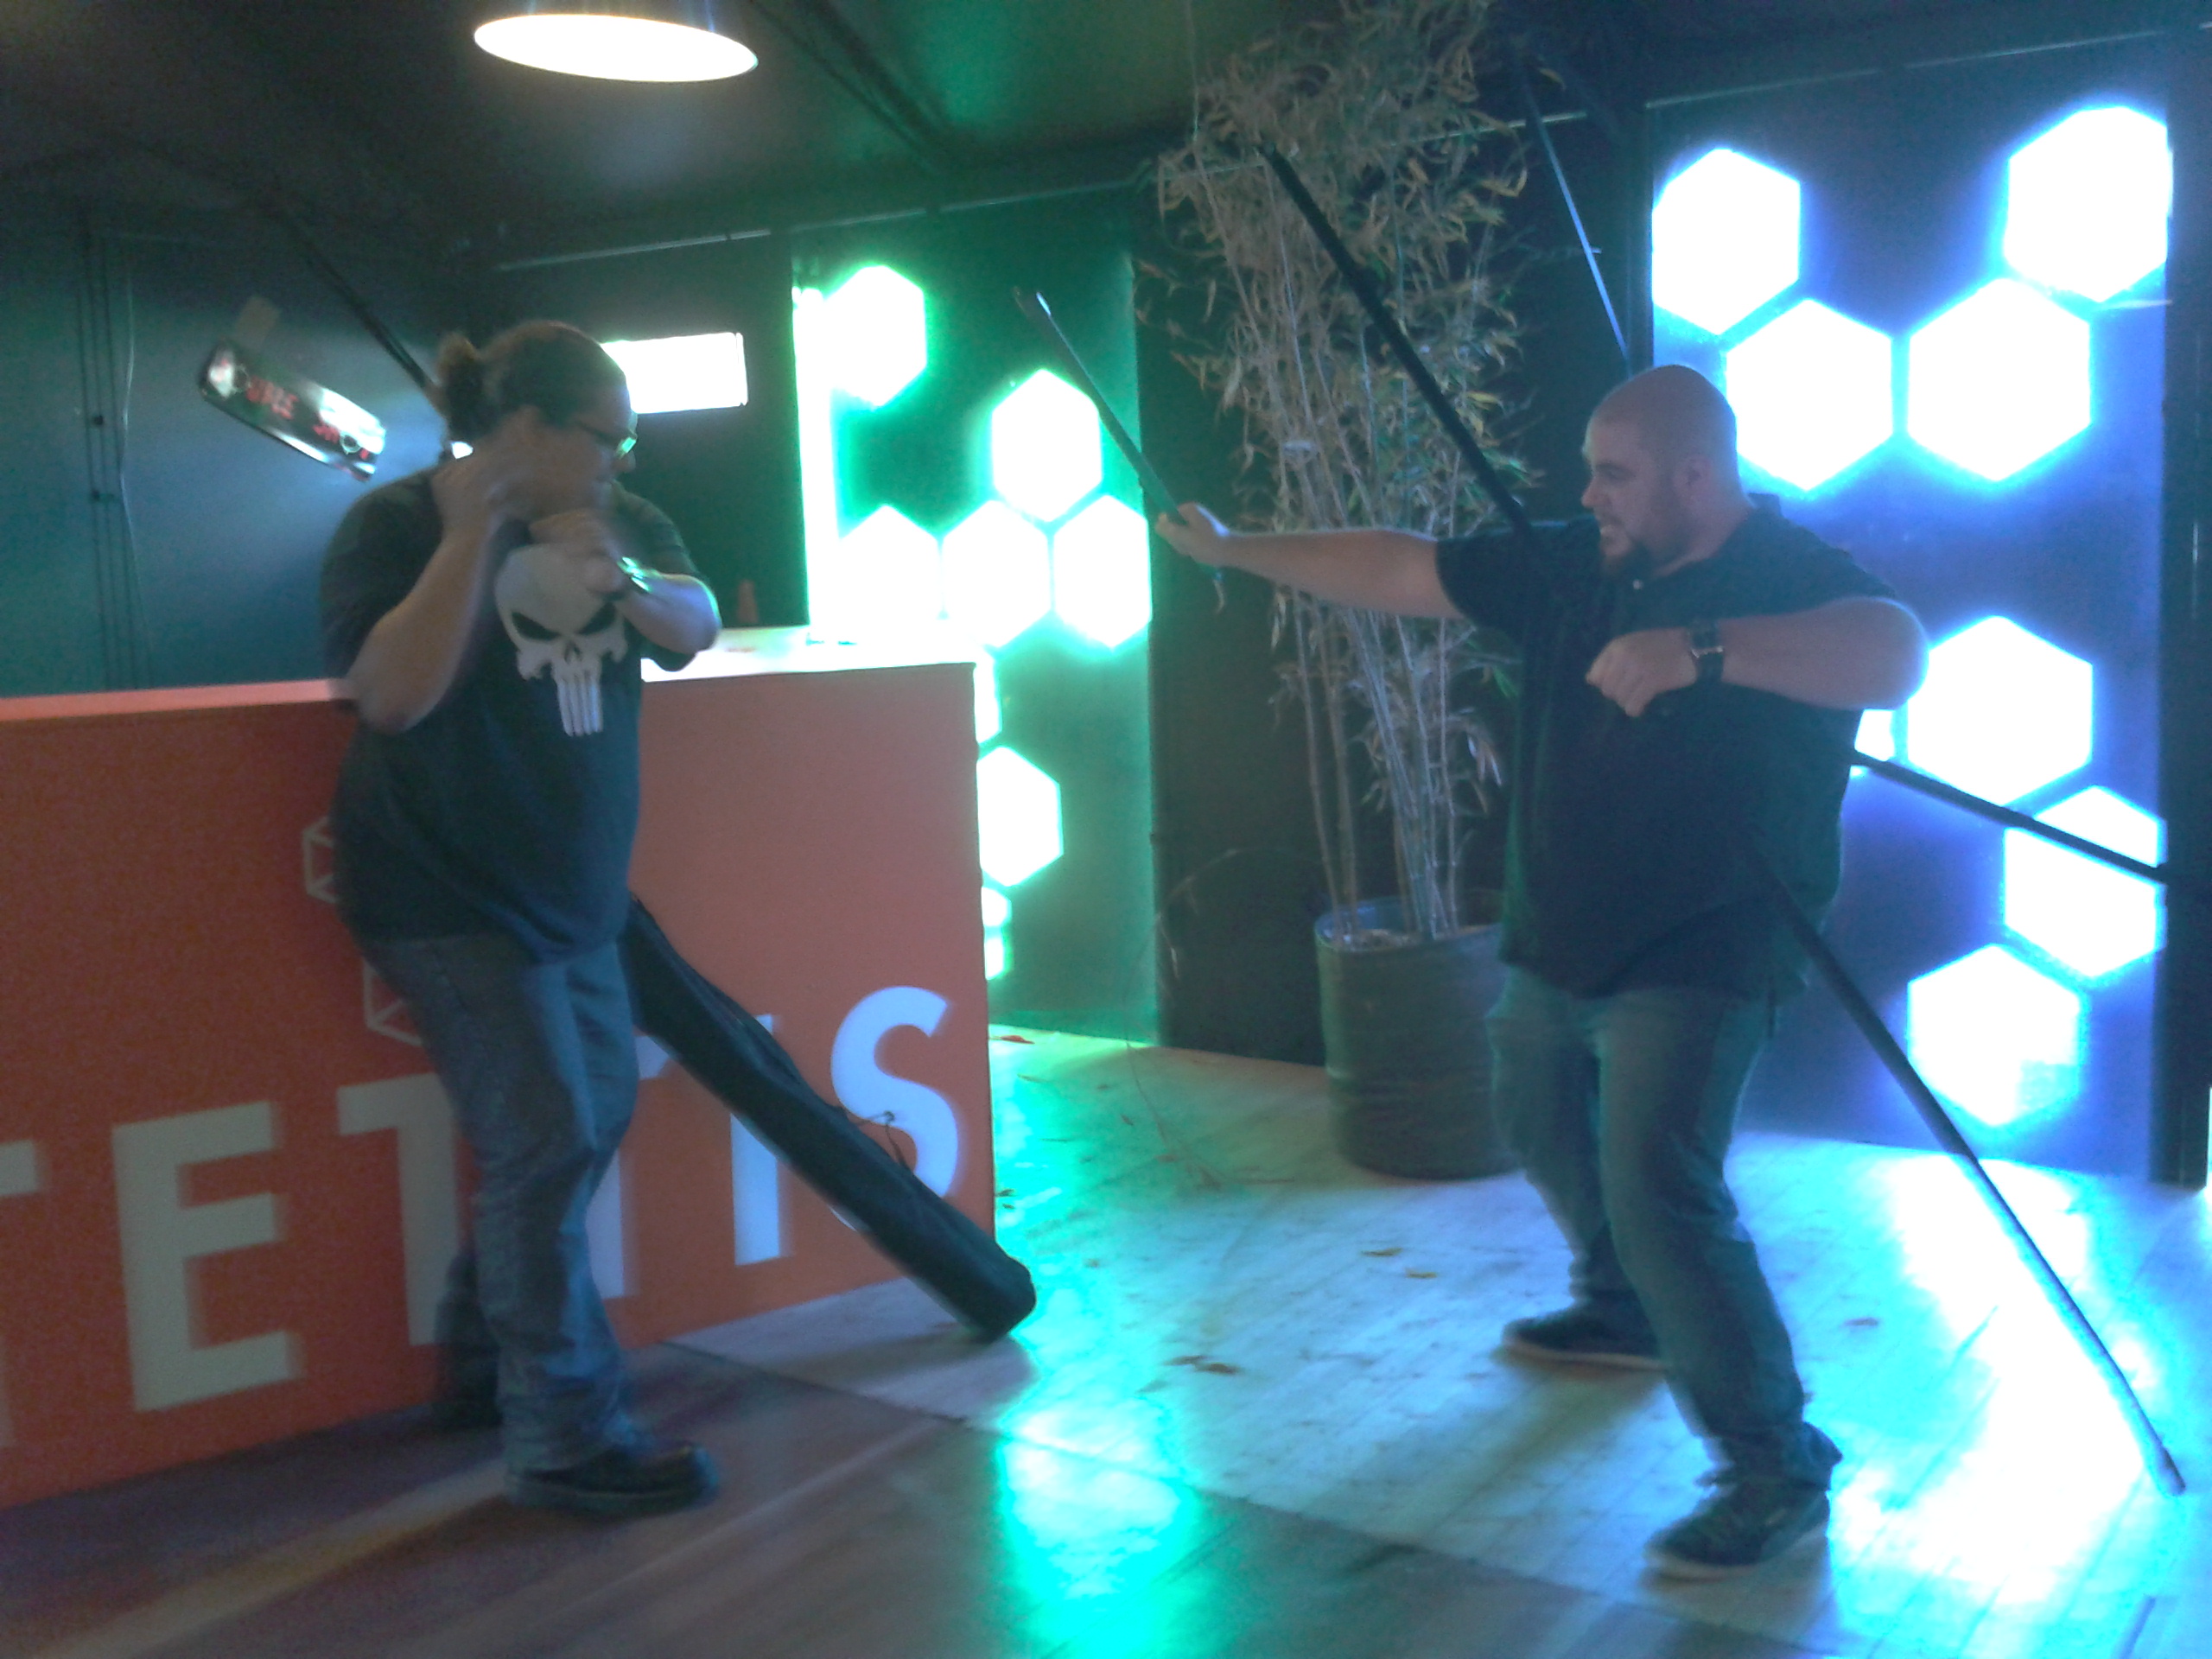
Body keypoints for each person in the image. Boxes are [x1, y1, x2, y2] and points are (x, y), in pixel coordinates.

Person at [1156, 365, 1928, 1579]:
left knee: (1659, 1185)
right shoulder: (1577, 563)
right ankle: (1622, 1307)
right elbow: (1405, 568)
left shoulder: (1789, 570)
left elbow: (1894, 656)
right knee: (1536, 1109)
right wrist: (1237, 550)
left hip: (1707, 943)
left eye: (1613, 474)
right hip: (1565, 930)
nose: (1589, 495)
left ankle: (1773, 1463)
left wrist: (1701, 651)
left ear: (1694, 476)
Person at [320, 321, 723, 1517]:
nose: (621, 460)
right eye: (605, 437)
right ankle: (562, 1438)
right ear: (528, 427)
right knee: (546, 1143)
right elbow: (391, 697)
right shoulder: (397, 527)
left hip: (573, 897)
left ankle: (482, 1354)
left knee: (588, 1121)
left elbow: (696, 626)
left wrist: (620, 576)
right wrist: (473, 536)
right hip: (444, 894)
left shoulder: (620, 520)